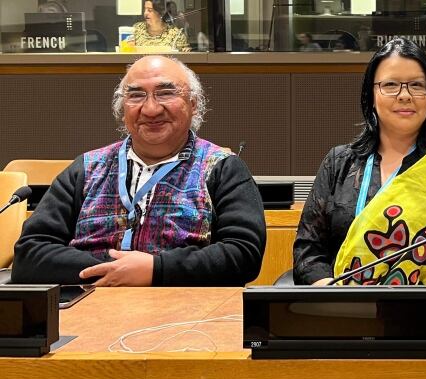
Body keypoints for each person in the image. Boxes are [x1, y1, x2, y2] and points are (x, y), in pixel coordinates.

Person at [11, 56, 265, 286]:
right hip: (87, 309)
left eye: (165, 93)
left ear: (194, 104)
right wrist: (113, 270)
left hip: (189, 315)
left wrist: (156, 269)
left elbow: (243, 255)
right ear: (122, 110)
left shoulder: (222, 168)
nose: (151, 109)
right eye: (136, 96)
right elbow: (29, 255)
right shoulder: (87, 168)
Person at [293, 37, 426, 286]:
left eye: (417, 85)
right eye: (391, 85)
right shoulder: (339, 163)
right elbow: (307, 252)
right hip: (345, 312)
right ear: (371, 95)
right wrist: (330, 292)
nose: (405, 95)